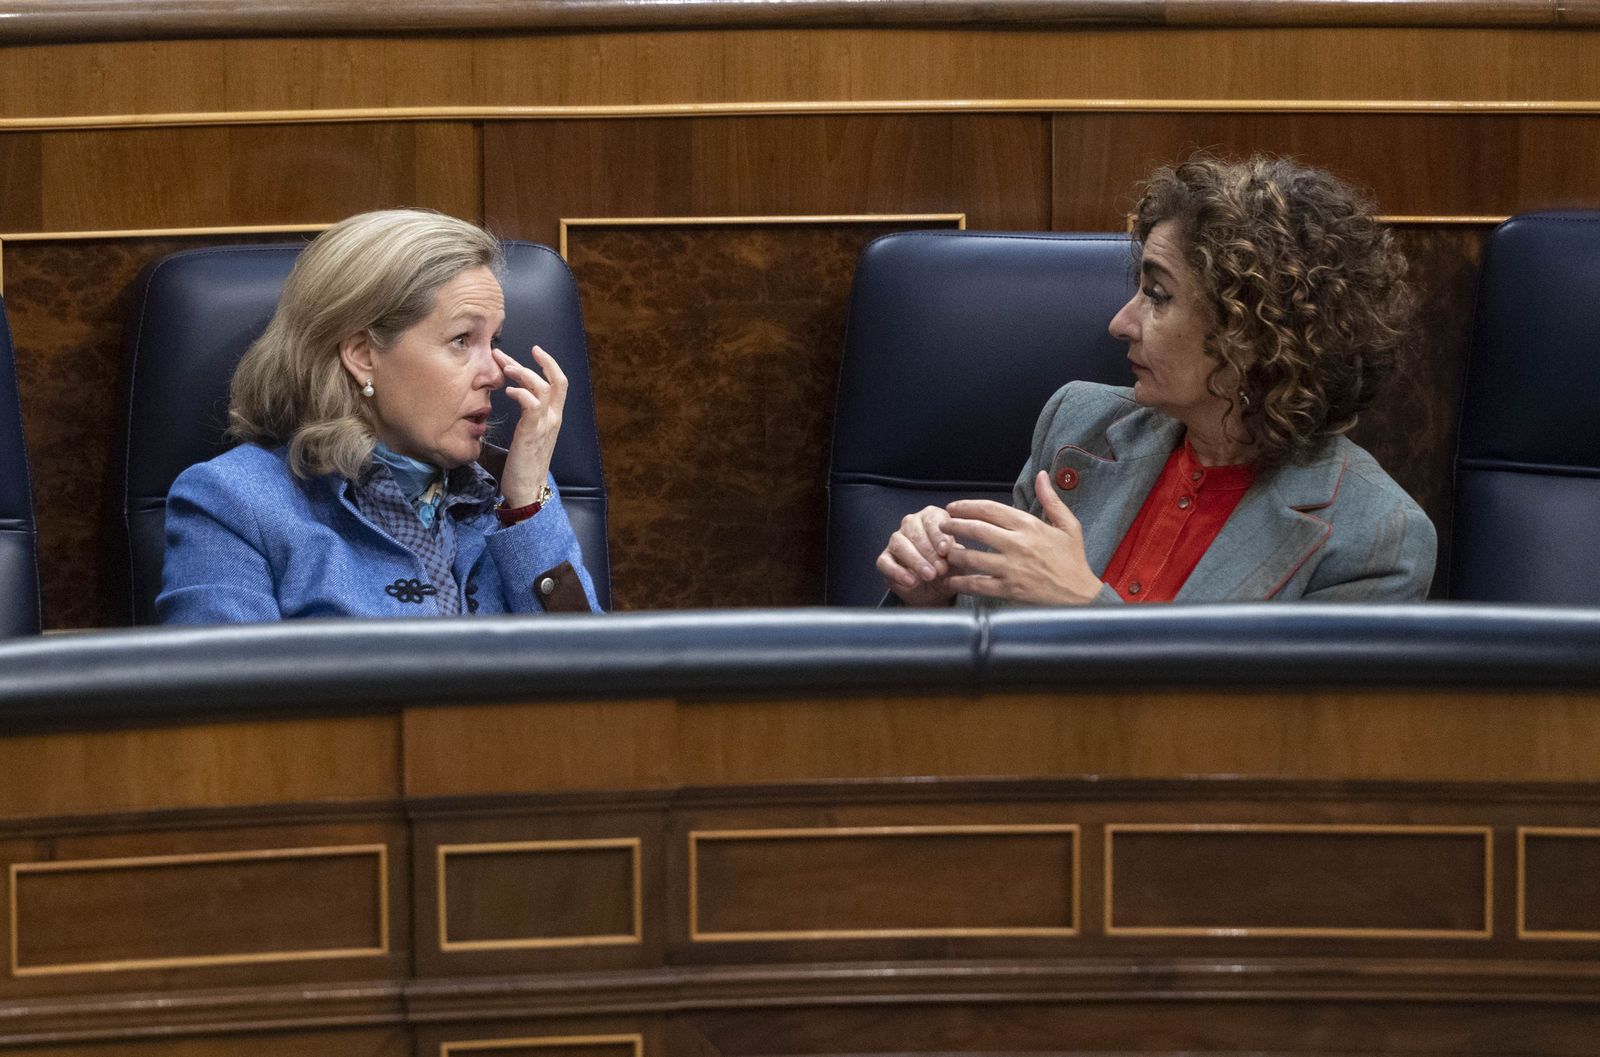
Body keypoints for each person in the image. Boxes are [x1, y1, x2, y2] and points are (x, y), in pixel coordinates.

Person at [878, 153, 1436, 606]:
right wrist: (935, 598)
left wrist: (1086, 609)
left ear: (1252, 332)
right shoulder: (1079, 424)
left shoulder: (1377, 538)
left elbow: (1283, 740)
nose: (1120, 324)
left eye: (1158, 295)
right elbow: (987, 643)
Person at [158, 208, 600, 623]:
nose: (494, 374)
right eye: (463, 340)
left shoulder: (515, 492)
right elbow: (226, 703)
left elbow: (600, 690)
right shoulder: (233, 504)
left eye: (494, 342)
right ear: (363, 355)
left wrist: (524, 507)